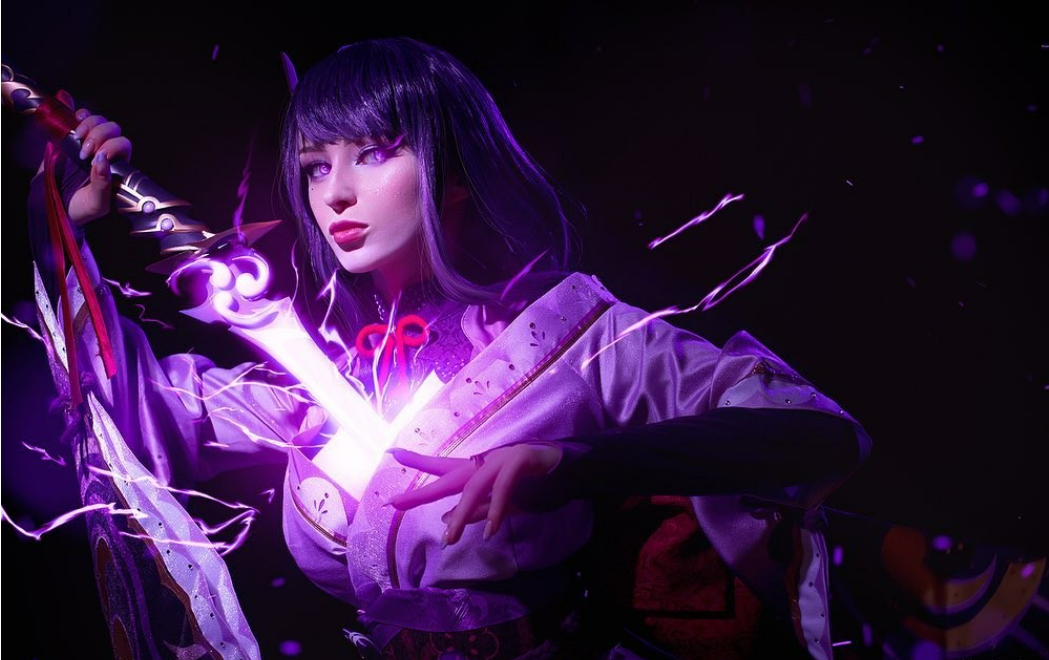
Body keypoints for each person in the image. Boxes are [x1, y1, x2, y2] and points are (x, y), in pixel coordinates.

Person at [29, 37, 870, 659]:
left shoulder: (572, 335)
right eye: (315, 166)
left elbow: (817, 433)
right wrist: (64, 224)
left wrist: (571, 462)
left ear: (454, 170)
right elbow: (123, 415)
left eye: (375, 153)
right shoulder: (316, 378)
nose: (337, 193)